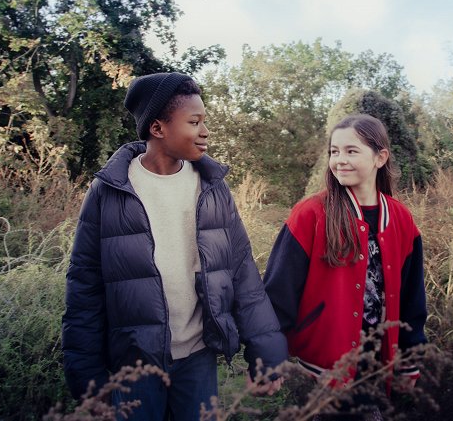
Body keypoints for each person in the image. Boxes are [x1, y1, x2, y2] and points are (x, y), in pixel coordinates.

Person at [62, 72, 288, 421]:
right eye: (194, 122)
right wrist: (87, 377)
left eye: (204, 122)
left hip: (198, 354)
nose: (205, 131)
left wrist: (267, 353)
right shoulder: (110, 190)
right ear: (158, 128)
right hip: (134, 363)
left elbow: (242, 272)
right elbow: (85, 286)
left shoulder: (213, 187)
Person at [263, 114, 427, 419]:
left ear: (380, 157)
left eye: (351, 151)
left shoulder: (401, 219)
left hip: (378, 364)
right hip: (321, 369)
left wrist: (409, 359)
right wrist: (269, 358)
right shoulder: (310, 214)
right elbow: (278, 293)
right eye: (334, 152)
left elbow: (411, 298)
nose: (339, 160)